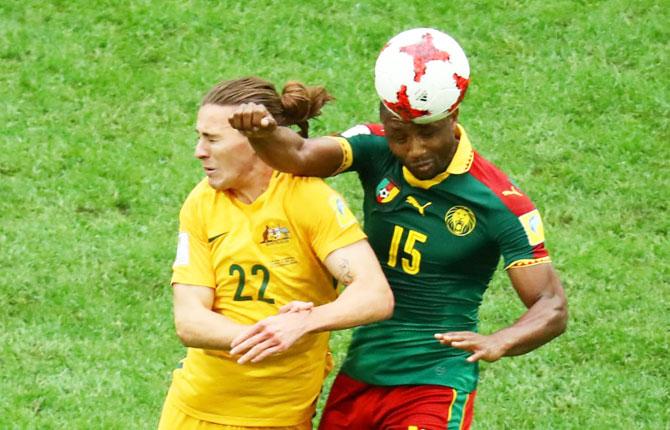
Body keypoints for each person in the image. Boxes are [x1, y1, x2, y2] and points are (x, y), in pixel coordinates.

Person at [227, 28, 568, 429]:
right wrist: (264, 133)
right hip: (363, 373)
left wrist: (500, 341)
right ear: (383, 118)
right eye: (399, 135)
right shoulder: (372, 148)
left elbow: (551, 304)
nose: (414, 151)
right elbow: (300, 155)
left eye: (427, 133)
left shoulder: (499, 203)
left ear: (452, 116)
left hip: (434, 382)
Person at [158, 77, 394, 430]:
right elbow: (189, 319)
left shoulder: (310, 200)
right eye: (199, 137)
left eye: (212, 140)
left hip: (277, 420)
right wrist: (270, 332)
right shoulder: (202, 201)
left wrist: (305, 322)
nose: (199, 151)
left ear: (253, 142)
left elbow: (375, 294)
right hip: (191, 412)